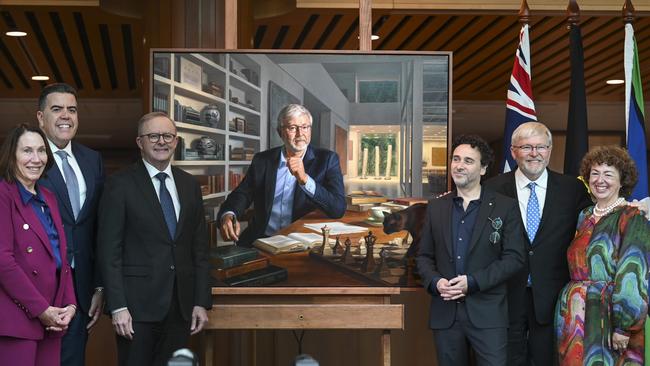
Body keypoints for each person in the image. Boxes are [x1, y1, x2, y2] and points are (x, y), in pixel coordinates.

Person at [97, 112, 212, 365]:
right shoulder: (120, 184)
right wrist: (117, 306)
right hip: (136, 309)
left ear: (176, 141)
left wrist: (201, 302)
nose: (162, 141)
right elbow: (109, 251)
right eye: (153, 136)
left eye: (168, 136)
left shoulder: (190, 185)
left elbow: (200, 249)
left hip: (181, 308)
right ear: (140, 142)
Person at [484, 122, 592, 366]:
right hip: (506, 294)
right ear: (513, 151)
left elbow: (594, 225)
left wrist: (628, 209)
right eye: (526, 147)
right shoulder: (492, 189)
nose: (534, 153)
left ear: (550, 150)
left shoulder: (572, 189)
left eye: (540, 147)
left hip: (553, 295)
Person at [417, 134, 525, 366]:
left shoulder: (505, 207)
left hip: (488, 314)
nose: (459, 165)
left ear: (483, 168)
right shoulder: (436, 207)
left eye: (468, 161)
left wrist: (473, 282)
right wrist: (435, 282)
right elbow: (424, 257)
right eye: (456, 159)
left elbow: (514, 258)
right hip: (445, 313)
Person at [555, 145, 649, 365]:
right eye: (595, 174)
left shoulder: (632, 216)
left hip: (610, 316)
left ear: (622, 181)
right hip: (574, 315)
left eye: (608, 174)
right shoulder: (584, 216)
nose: (600, 180)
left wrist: (625, 325)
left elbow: (633, 274)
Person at [36, 82, 105, 366]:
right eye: (57, 109)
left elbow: (99, 226)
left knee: (74, 357)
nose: (66, 115)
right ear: (41, 118)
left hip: (82, 285)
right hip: (39, 283)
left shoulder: (93, 159)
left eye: (72, 109)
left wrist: (99, 286)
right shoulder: (29, 158)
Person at [0, 124, 77, 365]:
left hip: (52, 319)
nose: (36, 159)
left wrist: (70, 304)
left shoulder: (48, 197)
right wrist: (42, 310)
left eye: (41, 151)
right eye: (27, 151)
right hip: (17, 322)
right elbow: (3, 261)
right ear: (12, 156)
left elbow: (61, 258)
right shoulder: (3, 194)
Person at [218, 104, 345, 247]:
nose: (299, 133)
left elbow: (338, 208)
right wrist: (228, 214)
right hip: (261, 240)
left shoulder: (327, 160)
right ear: (280, 132)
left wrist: (305, 180)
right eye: (292, 128)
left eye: (305, 127)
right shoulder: (262, 160)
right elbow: (242, 194)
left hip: (300, 245)